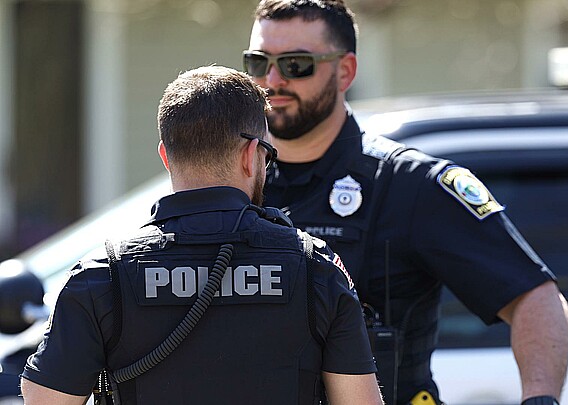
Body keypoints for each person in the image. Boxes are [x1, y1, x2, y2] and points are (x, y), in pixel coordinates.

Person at [243, 1, 568, 404]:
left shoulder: (410, 185)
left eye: (296, 64)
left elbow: (534, 298)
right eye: (258, 63)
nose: (272, 80)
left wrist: (540, 398)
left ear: (344, 71)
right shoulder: (236, 181)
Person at [19, 66, 384, 405]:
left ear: (166, 156)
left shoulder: (100, 276)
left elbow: (45, 398)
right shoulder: (316, 268)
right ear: (251, 154)